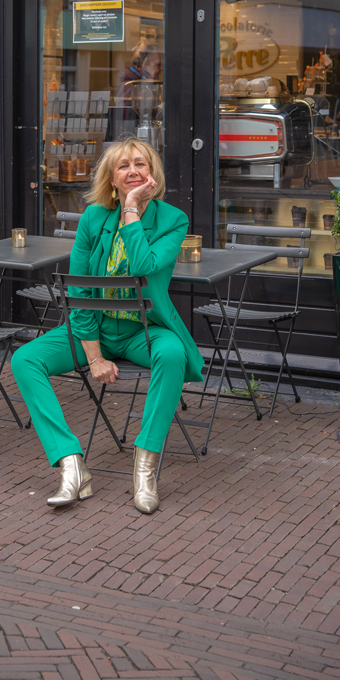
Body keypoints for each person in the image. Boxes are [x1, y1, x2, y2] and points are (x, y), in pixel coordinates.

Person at [11, 139, 204, 514]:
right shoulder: (93, 218)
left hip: (143, 330)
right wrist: (94, 356)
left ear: (152, 173)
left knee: (172, 354)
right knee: (25, 359)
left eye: (140, 164)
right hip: (94, 329)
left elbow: (144, 266)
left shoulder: (173, 220)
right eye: (123, 166)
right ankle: (71, 465)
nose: (133, 171)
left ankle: (145, 470)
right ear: (111, 178)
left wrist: (131, 209)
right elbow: (80, 291)